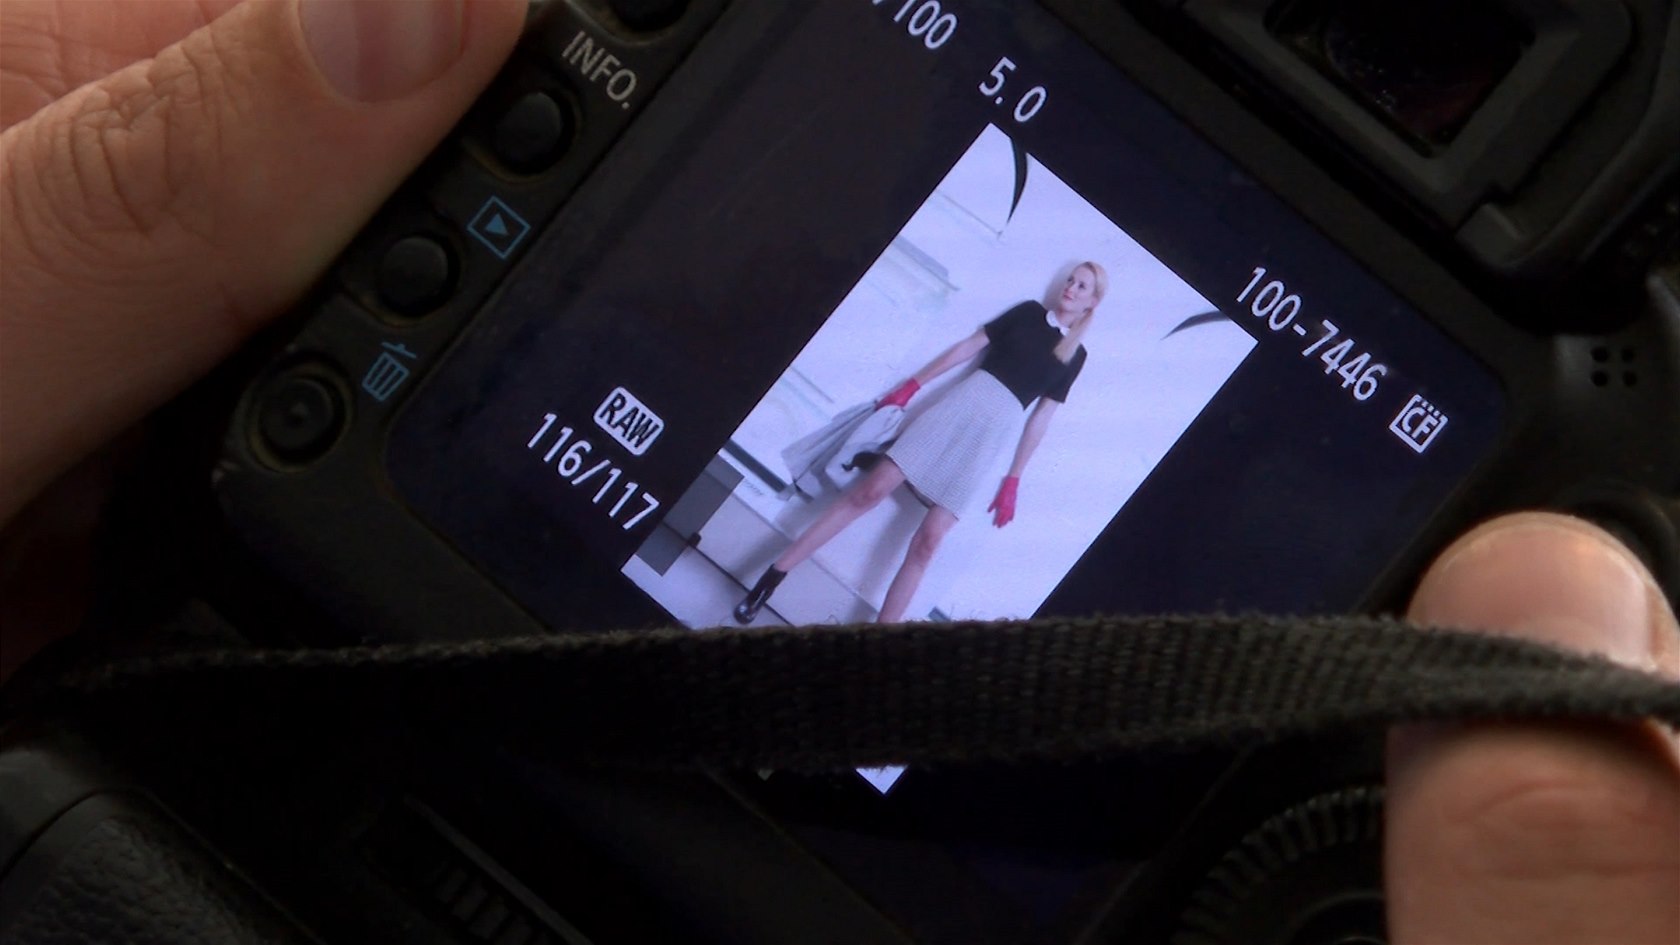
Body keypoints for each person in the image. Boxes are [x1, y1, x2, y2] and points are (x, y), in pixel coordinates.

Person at [0, 4, 1674, 942]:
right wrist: (888, 406)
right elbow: (949, 369)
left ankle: (862, 680)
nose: (1084, 290)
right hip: (196, 732)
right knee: (859, 507)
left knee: (913, 558)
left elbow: (1030, 427)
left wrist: (1011, 489)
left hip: (139, 774)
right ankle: (781, 625)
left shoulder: (1077, 352)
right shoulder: (1025, 311)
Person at [734, 263, 1106, 625]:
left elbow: (1041, 418)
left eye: (1082, 286)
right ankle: (772, 578)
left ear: (1092, 302)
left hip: (985, 443)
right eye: (1070, 280)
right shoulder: (1027, 313)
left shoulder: (1076, 356)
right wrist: (913, 384)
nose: (1070, 288)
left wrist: (1014, 477)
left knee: (928, 542)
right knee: (868, 493)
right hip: (954, 412)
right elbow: (968, 347)